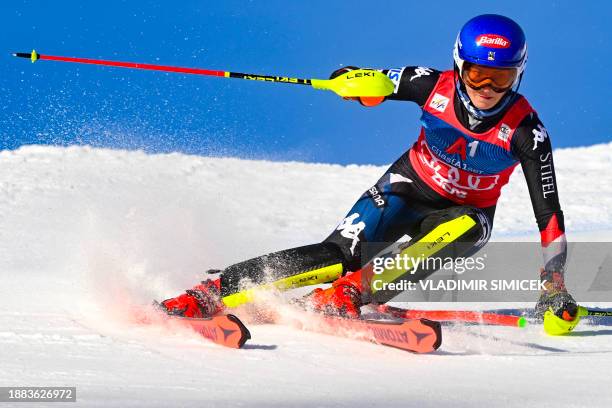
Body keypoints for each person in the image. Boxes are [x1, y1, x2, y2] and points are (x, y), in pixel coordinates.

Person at [159, 14, 578, 324]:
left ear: (518, 75)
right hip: (406, 186)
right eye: (477, 74)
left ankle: (350, 294)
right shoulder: (429, 84)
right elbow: (371, 79)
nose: (486, 89)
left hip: (466, 214)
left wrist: (553, 280)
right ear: (458, 66)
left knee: (465, 230)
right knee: (339, 255)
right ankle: (214, 290)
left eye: (500, 78)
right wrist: (356, 86)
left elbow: (549, 212)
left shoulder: (526, 131)